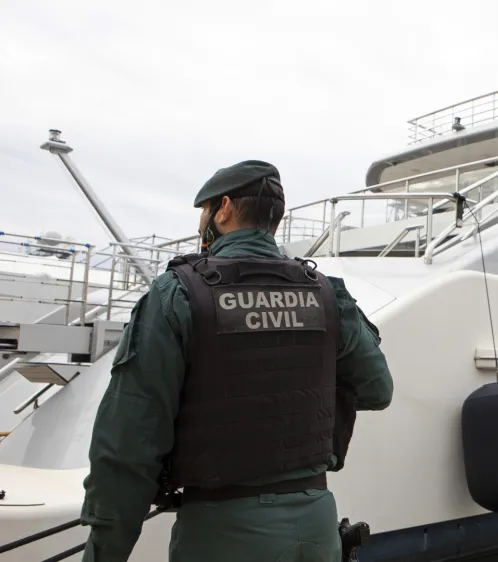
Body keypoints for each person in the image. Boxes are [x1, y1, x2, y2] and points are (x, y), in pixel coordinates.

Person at [80, 160, 394, 562]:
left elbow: (129, 441)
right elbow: (377, 390)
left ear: (224, 208)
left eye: (204, 211)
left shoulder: (179, 293)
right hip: (317, 530)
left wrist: (106, 549)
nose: (201, 224)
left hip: (222, 533)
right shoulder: (325, 293)